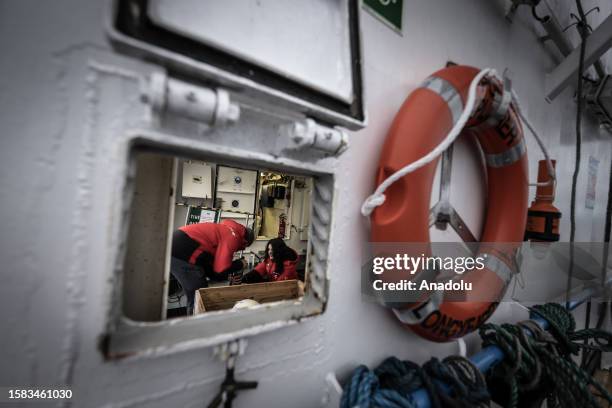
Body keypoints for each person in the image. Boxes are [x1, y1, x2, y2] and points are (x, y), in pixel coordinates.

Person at [170, 219, 254, 314]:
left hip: (176, 246)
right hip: (183, 250)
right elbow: (220, 270)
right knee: (200, 296)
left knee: (199, 294)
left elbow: (211, 270)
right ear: (245, 243)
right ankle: (197, 326)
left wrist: (226, 276)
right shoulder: (233, 236)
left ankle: (197, 322)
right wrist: (240, 264)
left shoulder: (224, 230)